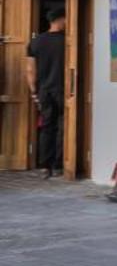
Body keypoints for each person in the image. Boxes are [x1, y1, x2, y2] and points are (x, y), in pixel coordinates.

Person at [25, 11, 66, 179]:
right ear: (60, 19)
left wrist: (34, 92)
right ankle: (59, 165)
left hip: (44, 90)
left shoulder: (35, 42)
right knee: (64, 126)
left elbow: (30, 70)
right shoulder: (68, 41)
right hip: (64, 90)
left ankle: (45, 166)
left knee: (47, 127)